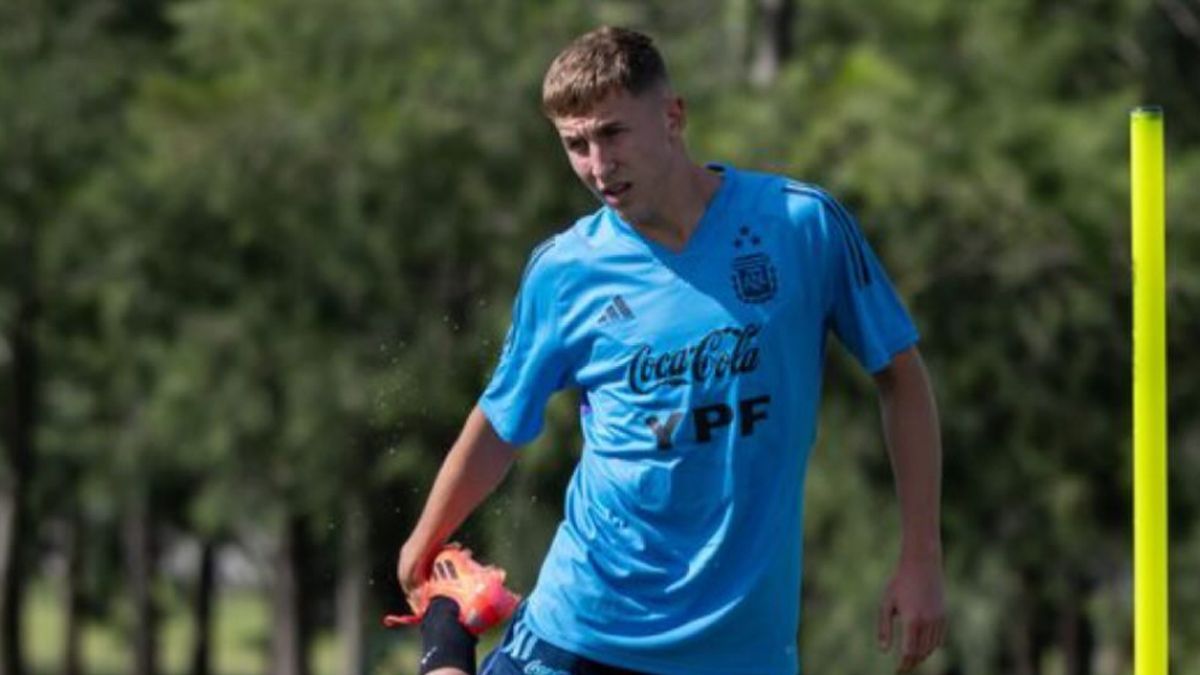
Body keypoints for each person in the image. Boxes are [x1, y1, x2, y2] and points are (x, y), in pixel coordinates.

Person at [397, 25, 946, 675]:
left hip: (741, 652)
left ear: (673, 116)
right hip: (585, 628)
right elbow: (500, 422)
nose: (598, 166)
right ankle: (447, 635)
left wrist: (921, 556)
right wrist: (421, 544)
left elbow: (900, 376)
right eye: (576, 145)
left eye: (612, 134)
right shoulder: (565, 270)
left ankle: (447, 641)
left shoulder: (800, 226)